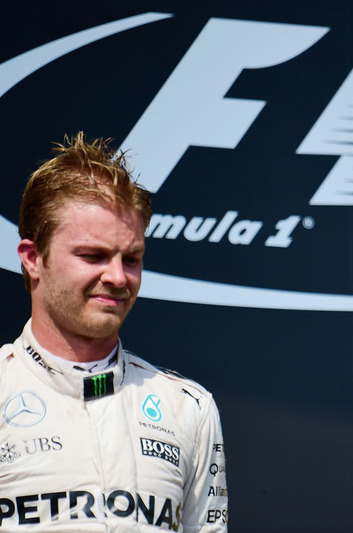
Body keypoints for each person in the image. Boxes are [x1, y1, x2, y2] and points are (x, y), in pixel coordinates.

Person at [0, 133, 228, 531]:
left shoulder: (188, 409)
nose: (118, 277)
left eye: (132, 258)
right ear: (33, 259)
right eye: (93, 256)